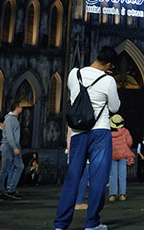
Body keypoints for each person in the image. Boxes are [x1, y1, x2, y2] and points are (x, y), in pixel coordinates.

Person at [53, 46, 120, 230]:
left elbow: (73, 96)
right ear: (108, 65)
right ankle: (91, 223)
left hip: (78, 132)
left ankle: (60, 224)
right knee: (98, 179)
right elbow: (114, 107)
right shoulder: (108, 81)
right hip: (100, 132)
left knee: (73, 177)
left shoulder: (74, 74)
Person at [0, 101, 24, 200]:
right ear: (17, 107)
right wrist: (14, 147)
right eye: (21, 107)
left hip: (14, 146)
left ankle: (11, 189)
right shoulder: (9, 119)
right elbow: (9, 135)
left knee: (20, 166)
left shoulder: (14, 119)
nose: (22, 108)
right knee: (5, 168)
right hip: (9, 146)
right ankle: (1, 190)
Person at [108, 114, 134, 201]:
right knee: (122, 175)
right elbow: (130, 142)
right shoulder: (125, 131)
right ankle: (122, 194)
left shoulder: (109, 132)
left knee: (113, 175)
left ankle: (112, 195)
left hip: (113, 155)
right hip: (123, 154)